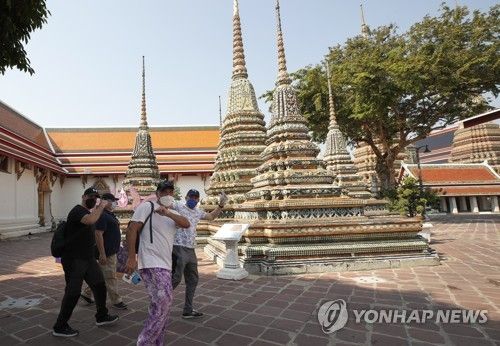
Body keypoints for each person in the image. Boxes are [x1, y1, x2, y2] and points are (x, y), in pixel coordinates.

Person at [125, 180, 190, 346]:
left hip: (165, 264)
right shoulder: (147, 207)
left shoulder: (171, 213)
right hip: (152, 263)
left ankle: (157, 342)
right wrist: (132, 257)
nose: (167, 195)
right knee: (165, 302)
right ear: (158, 193)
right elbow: (132, 229)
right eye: (164, 192)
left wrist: (167, 213)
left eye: (170, 192)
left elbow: (186, 224)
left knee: (159, 306)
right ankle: (145, 341)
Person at [53, 187, 119, 338]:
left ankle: (101, 316)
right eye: (91, 196)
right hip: (74, 259)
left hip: (88, 259)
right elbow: (90, 221)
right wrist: (101, 206)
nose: (93, 199)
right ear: (83, 197)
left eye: (96, 197)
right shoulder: (77, 211)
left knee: (100, 286)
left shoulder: (90, 212)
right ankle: (60, 326)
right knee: (73, 292)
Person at [171, 189, 227, 319]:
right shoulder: (178, 206)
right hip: (178, 247)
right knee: (175, 279)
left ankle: (188, 309)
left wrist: (221, 205)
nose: (194, 199)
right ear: (186, 197)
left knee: (193, 280)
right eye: (191, 197)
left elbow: (211, 217)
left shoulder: (197, 211)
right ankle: (160, 302)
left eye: (196, 197)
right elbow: (165, 204)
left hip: (191, 249)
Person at [81, 193, 127, 309]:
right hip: (106, 252)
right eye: (113, 201)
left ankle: (86, 293)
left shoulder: (109, 214)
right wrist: (102, 254)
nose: (115, 203)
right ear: (105, 201)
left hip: (111, 250)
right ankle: (116, 300)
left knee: (101, 275)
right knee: (111, 276)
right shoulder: (101, 215)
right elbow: (98, 234)